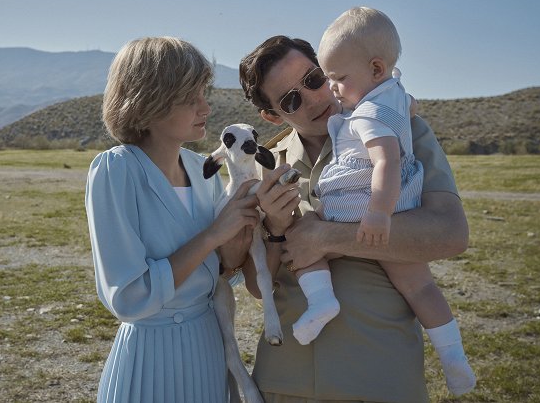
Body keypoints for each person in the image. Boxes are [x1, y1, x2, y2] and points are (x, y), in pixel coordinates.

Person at [238, 34, 471, 403]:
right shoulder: (263, 166)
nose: (315, 98)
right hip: (285, 382)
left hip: (379, 376)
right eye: (291, 100)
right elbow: (255, 286)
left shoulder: (399, 129)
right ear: (271, 115)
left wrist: (328, 237)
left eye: (313, 79)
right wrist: (276, 230)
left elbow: (450, 233)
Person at [85, 37, 260, 403]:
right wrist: (213, 235)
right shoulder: (116, 171)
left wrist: (250, 225)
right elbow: (129, 298)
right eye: (189, 98)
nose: (205, 107)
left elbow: (226, 273)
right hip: (151, 360)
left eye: (203, 93)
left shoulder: (203, 170)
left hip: (208, 351)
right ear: (147, 103)